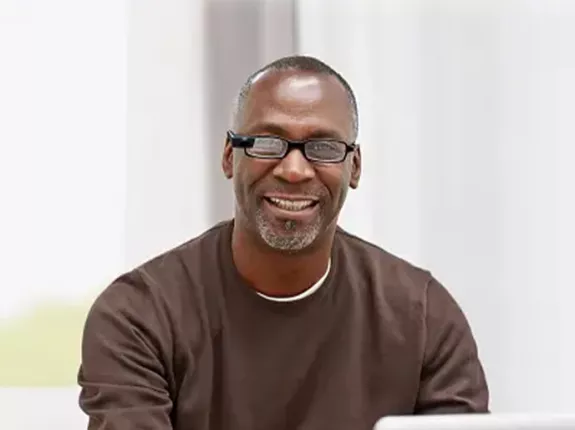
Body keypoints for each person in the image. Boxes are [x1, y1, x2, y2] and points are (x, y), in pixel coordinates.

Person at [78, 55, 489, 429]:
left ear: (355, 167)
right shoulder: (139, 316)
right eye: (266, 143)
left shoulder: (425, 318)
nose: (294, 170)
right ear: (228, 156)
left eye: (324, 147)